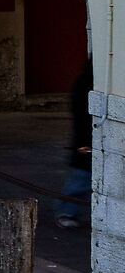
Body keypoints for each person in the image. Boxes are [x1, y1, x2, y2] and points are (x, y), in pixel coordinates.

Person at [63, 58, 94, 227]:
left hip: (85, 138)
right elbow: (82, 116)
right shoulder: (85, 85)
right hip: (85, 139)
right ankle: (68, 211)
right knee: (81, 179)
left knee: (82, 178)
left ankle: (69, 211)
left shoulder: (83, 82)